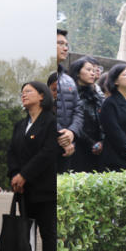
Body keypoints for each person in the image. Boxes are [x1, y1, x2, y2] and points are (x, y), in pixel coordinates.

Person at [4, 80, 61, 251]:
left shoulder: (52, 121)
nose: (23, 94)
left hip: (44, 185)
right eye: (22, 92)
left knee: (47, 231)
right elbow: (11, 152)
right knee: (26, 230)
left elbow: (48, 153)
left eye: (28, 91)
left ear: (42, 96)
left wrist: (24, 175)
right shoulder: (20, 124)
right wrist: (15, 176)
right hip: (23, 187)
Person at [51, 29, 81, 174]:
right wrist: (62, 136)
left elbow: (78, 110)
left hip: (67, 146)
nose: (65, 48)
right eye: (60, 43)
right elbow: (41, 109)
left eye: (67, 45)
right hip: (46, 144)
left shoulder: (68, 79)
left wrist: (72, 132)